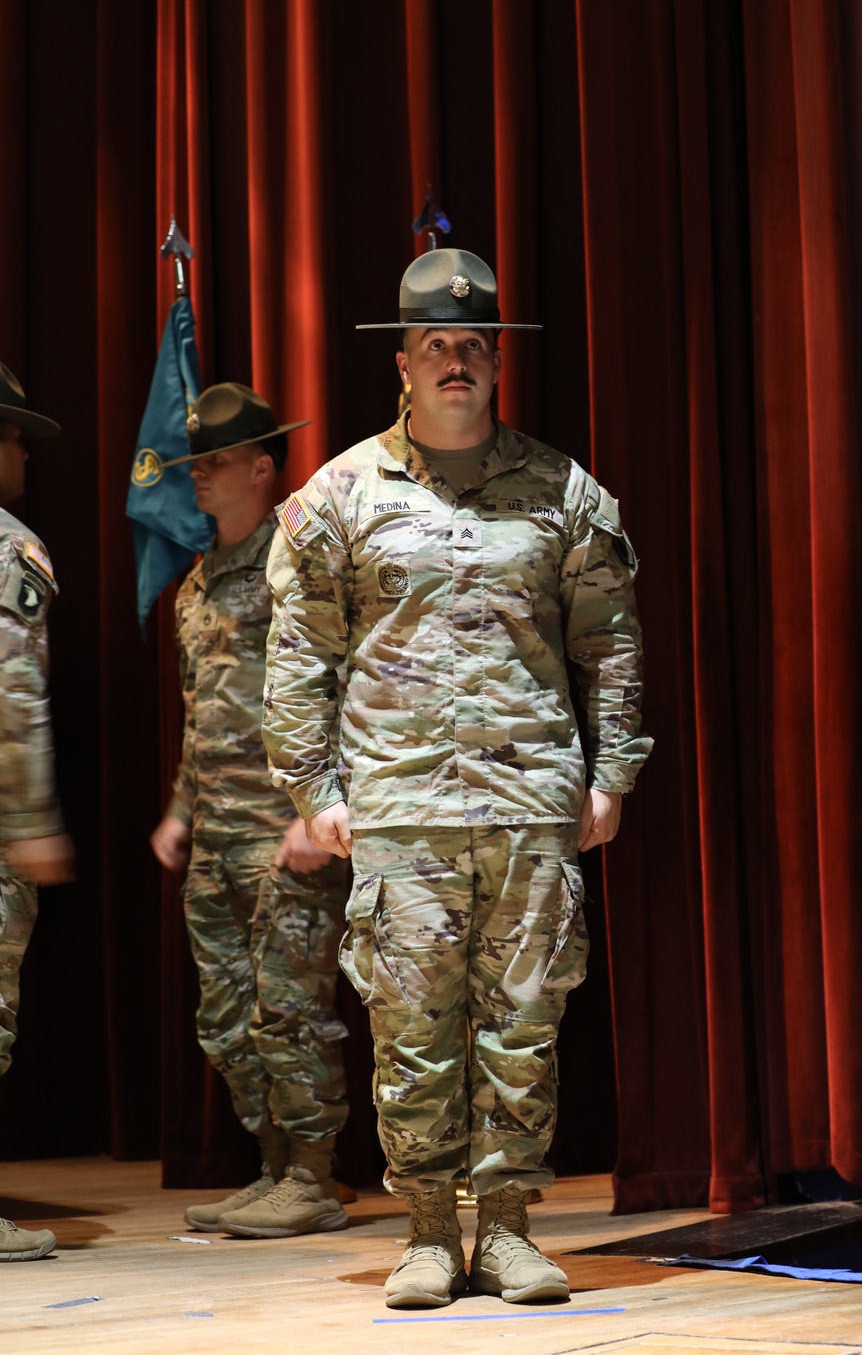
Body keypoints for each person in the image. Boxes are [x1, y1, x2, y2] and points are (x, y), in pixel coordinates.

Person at [263, 249, 652, 1306]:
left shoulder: (562, 492)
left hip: (532, 805)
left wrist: (609, 775)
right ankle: (430, 1233)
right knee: (413, 1031)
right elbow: (299, 655)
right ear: (401, 361)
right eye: (435, 343)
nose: (454, 360)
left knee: (522, 1027)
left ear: (495, 362)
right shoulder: (338, 495)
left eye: (472, 344)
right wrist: (315, 789)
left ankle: (513, 1230)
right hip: (399, 807)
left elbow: (609, 644)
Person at [149, 383, 351, 1239]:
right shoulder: (196, 585)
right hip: (217, 837)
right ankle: (271, 1167)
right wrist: (179, 810)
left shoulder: (297, 564)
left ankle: (311, 1177)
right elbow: (204, 709)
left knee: (290, 1009)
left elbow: (342, 690)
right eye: (196, 462)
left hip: (284, 833)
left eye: (218, 461)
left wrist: (319, 811)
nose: (199, 476)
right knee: (227, 1018)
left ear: (264, 468)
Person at [0, 365, 73, 1262]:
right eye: (13, 431)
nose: (22, 447)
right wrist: (29, 820)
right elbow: (13, 695)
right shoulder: (11, 547)